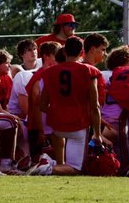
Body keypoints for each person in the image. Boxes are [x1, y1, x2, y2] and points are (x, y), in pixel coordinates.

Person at [32, 36, 107, 176]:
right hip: (78, 125)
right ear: (81, 53)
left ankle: (49, 164)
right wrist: (97, 134)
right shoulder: (89, 71)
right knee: (75, 168)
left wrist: (56, 112)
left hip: (57, 126)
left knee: (63, 167)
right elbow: (94, 106)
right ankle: (48, 167)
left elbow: (42, 105)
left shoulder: (49, 72)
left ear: (64, 52)